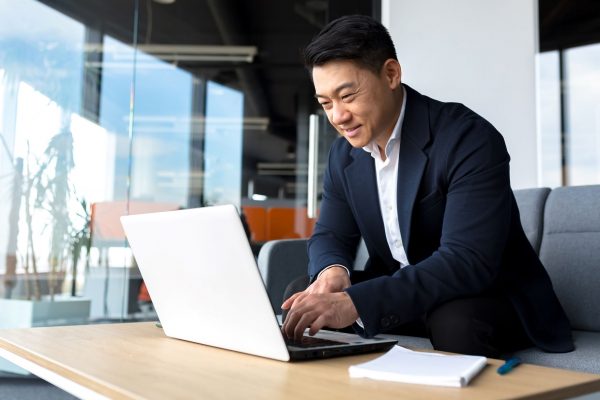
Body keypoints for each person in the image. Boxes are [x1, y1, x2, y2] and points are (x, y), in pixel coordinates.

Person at [281, 15, 574, 357]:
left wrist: (357, 302)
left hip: (484, 294)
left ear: (391, 74)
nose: (338, 117)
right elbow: (331, 233)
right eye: (326, 103)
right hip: (405, 295)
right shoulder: (344, 155)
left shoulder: (468, 138)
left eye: (347, 96)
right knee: (303, 298)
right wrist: (333, 272)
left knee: (455, 321)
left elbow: (467, 261)